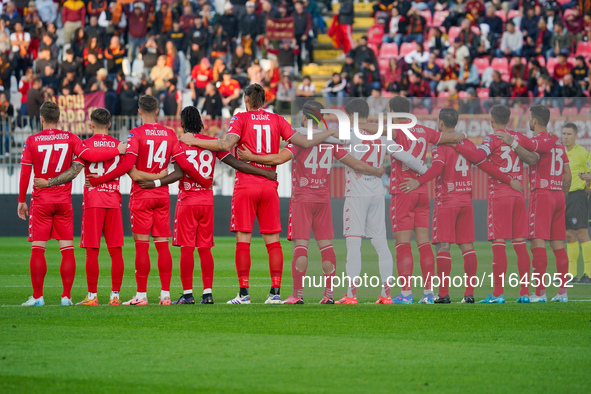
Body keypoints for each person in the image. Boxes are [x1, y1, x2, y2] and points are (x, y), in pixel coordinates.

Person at [237, 100, 388, 304]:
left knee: (301, 245)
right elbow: (356, 163)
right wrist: (376, 171)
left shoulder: (300, 139)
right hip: (323, 199)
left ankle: (297, 295)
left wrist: (250, 156)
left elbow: (279, 159)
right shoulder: (331, 142)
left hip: (303, 198)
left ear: (307, 116)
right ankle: (329, 294)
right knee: (326, 246)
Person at [138, 106, 278, 304]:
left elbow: (177, 172)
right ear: (201, 122)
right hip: (207, 202)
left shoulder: (181, 144)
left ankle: (187, 294)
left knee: (187, 248)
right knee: (205, 248)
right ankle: (208, 294)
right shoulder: (212, 144)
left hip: (188, 200)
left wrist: (156, 181)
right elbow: (236, 163)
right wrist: (264, 172)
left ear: (183, 123)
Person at [87, 95, 213, 306]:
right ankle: (165, 295)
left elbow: (128, 166)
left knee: (142, 247)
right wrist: (203, 181)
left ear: (139, 111)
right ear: (157, 111)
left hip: (141, 196)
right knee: (162, 246)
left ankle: (142, 295)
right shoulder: (170, 134)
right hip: (162, 196)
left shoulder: (136, 134)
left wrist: (101, 179)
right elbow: (183, 166)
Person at [178, 84, 298, 304]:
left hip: (246, 185)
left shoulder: (241, 118)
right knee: (273, 241)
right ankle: (275, 293)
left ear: (245, 99)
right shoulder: (278, 120)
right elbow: (296, 143)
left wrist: (193, 140)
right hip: (269, 183)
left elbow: (225, 144)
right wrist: (276, 160)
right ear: (264, 101)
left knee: (243, 240)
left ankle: (244, 294)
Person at [17, 102, 125, 307]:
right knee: (67, 249)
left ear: (41, 119)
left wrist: (22, 200)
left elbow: (25, 173)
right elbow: (91, 156)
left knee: (38, 249)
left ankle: (38, 297)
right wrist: (116, 151)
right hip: (64, 202)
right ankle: (66, 297)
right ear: (59, 119)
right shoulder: (71, 138)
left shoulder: (32, 141)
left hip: (41, 201)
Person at [382, 98, 466, 304]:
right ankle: (428, 294)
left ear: (392, 111)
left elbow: (375, 131)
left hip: (403, 189)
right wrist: (462, 135)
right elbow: (453, 137)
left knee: (402, 245)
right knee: (424, 244)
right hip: (422, 191)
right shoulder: (424, 131)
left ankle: (406, 294)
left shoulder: (396, 130)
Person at [453, 105, 533, 302]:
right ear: (509, 120)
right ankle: (524, 293)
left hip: (500, 195)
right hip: (519, 195)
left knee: (498, 244)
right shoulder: (518, 137)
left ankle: (498, 293)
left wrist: (459, 143)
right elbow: (534, 154)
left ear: (491, 120)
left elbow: (478, 157)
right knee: (520, 244)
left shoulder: (491, 139)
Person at [496, 105, 571, 302]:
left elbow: (530, 155)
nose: (529, 121)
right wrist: (562, 196)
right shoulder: (559, 144)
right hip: (558, 196)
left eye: (530, 118)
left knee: (537, 244)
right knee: (558, 245)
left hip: (542, 194)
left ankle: (539, 294)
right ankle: (563, 293)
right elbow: (568, 175)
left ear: (535, 120)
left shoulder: (539, 141)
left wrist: (512, 143)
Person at [562, 123, 591, 284]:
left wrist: (588, 187)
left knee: (581, 233)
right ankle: (571, 274)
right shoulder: (561, 152)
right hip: (564, 197)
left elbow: (589, 173)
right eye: (564, 133)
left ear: (576, 136)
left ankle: (588, 273)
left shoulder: (582, 153)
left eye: (569, 134)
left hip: (578, 196)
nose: (565, 136)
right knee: (569, 235)